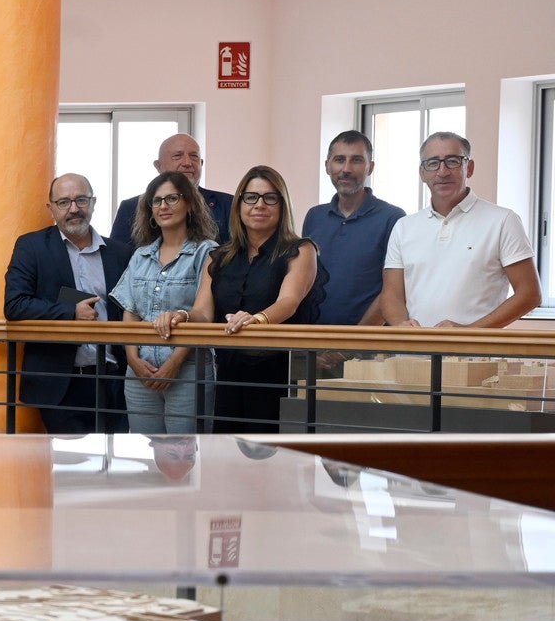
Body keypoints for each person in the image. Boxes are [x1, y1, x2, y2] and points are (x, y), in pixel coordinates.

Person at [158, 166, 320, 432]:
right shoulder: (219, 257)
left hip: (280, 375)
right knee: (228, 459)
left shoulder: (300, 250)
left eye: (270, 198)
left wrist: (256, 319)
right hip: (229, 373)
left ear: (282, 205)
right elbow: (202, 312)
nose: (259, 205)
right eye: (251, 197)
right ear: (239, 204)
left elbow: (288, 302)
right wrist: (182, 316)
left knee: (274, 461)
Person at [4, 173, 132, 435]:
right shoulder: (32, 246)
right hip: (59, 381)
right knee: (67, 467)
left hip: (113, 379)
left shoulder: (120, 253)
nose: (74, 209)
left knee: (113, 466)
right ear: (50, 208)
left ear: (93, 203)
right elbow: (15, 305)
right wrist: (71, 312)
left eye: (81, 200)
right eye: (64, 202)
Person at [381, 132, 540, 329]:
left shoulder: (503, 220)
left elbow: (530, 294)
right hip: (414, 354)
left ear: (469, 167)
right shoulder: (404, 227)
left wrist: (469, 333)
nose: (442, 171)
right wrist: (400, 324)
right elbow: (391, 295)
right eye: (433, 163)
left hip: (476, 356)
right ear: (422, 173)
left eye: (453, 161)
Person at [111, 172, 218, 435]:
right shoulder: (140, 255)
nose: (163, 206)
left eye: (172, 198)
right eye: (156, 201)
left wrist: (175, 362)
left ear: (190, 203)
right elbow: (131, 313)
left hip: (188, 369)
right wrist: (132, 360)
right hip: (140, 371)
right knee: (145, 453)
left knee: (185, 455)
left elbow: (203, 315)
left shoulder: (207, 251)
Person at [302, 131, 404, 329]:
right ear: (327, 166)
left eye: (356, 160)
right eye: (339, 160)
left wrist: (351, 345)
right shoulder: (314, 216)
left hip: (367, 346)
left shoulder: (393, 218)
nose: (346, 169)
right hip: (314, 342)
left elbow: (393, 291)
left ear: (370, 167)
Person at [107, 133, 233, 249]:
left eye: (194, 156)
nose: (187, 163)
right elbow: (119, 259)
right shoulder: (131, 208)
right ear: (158, 166)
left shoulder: (227, 204)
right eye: (177, 156)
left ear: (201, 163)